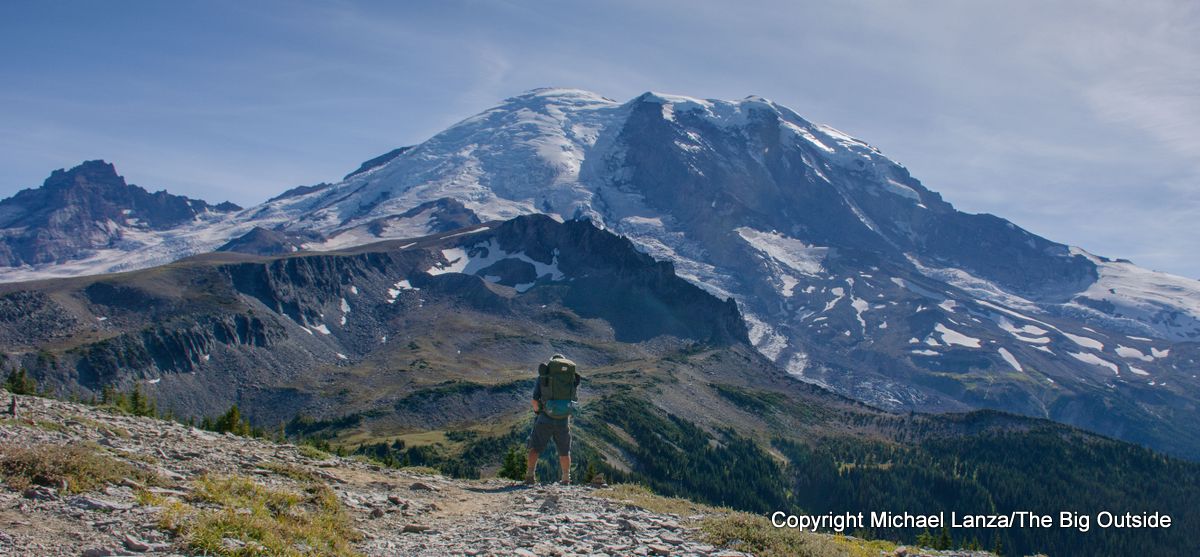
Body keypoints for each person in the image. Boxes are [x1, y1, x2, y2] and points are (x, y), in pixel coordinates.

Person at [525, 353, 580, 485]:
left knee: (535, 447)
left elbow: (534, 400)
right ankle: (566, 478)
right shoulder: (569, 378)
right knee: (564, 450)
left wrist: (538, 411)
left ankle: (530, 476)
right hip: (563, 419)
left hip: (545, 417)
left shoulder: (543, 377)